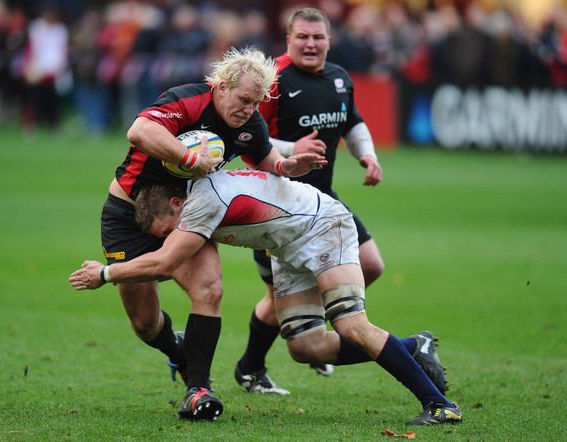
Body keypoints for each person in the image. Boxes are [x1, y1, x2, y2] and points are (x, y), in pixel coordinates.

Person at [69, 169, 463, 425]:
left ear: (177, 204)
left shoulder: (202, 202)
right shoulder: (197, 195)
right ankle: (415, 346)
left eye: (166, 228)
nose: (170, 236)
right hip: (289, 248)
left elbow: (164, 263)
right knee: (306, 347)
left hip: (324, 227)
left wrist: (105, 273)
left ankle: (439, 405)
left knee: (351, 325)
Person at [95, 47, 322, 421]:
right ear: (221, 86)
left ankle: (198, 389)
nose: (249, 110)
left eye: (256, 103)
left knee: (209, 289)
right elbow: (139, 131)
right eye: (244, 100)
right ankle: (179, 349)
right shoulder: (187, 100)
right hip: (129, 214)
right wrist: (189, 159)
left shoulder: (249, 124)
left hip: (188, 214)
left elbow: (264, 160)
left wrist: (286, 165)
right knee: (145, 324)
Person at [234, 7, 394, 394]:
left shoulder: (339, 78)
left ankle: (311, 332)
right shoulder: (271, 82)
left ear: (329, 40)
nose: (310, 43)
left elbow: (352, 120)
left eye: (318, 37)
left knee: (370, 264)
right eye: (302, 37)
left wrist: (367, 155)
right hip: (278, 206)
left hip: (326, 201)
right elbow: (244, 138)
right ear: (288, 40)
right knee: (277, 300)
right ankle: (252, 367)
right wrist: (292, 147)